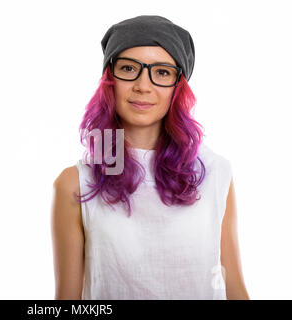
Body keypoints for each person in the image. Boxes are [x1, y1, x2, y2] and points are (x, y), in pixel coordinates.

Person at [51, 15, 250, 300]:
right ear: (110, 79)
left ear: (177, 86)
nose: (143, 86)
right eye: (129, 68)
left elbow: (233, 287)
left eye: (162, 72)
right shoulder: (75, 183)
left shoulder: (215, 173)